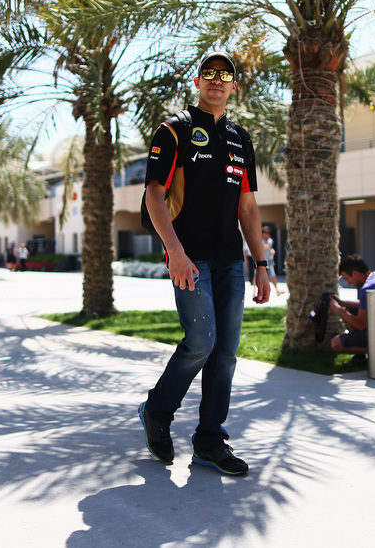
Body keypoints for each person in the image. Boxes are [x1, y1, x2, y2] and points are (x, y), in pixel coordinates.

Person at [137, 50, 270, 477]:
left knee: (226, 351)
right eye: (209, 74)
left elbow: (247, 206)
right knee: (202, 339)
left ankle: (209, 442)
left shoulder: (240, 138)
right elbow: (153, 194)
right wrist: (174, 250)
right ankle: (158, 410)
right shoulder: (175, 129)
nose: (217, 80)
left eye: (225, 75)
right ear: (198, 81)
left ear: (234, 86)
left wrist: (262, 263)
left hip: (231, 259)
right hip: (189, 257)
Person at [328, 254, 375, 367]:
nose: (348, 283)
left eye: (348, 278)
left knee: (335, 343)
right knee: (350, 309)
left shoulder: (367, 288)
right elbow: (368, 304)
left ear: (354, 273)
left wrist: (337, 309)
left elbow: (360, 325)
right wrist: (343, 303)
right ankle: (360, 357)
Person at [261, 226, 285, 295]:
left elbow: (270, 248)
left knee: (272, 275)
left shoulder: (270, 240)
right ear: (263, 233)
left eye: (268, 233)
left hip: (269, 260)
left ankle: (277, 290)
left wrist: (272, 250)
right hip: (261, 260)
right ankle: (255, 291)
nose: (267, 234)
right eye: (266, 233)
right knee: (259, 275)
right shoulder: (259, 240)